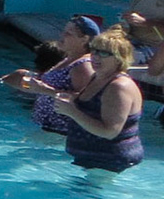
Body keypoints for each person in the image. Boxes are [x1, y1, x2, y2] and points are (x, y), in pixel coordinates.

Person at [54, 27, 145, 172]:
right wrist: (70, 99)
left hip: (110, 162)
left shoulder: (119, 87)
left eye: (103, 53)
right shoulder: (97, 77)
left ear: (119, 57)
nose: (95, 57)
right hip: (92, 160)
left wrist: (72, 112)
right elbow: (92, 107)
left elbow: (110, 132)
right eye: (94, 50)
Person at [4, 16, 98, 133]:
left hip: (59, 132)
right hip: (45, 127)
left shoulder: (83, 66)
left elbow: (84, 100)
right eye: (64, 31)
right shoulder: (69, 59)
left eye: (68, 33)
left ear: (84, 39)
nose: (62, 36)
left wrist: (45, 90)